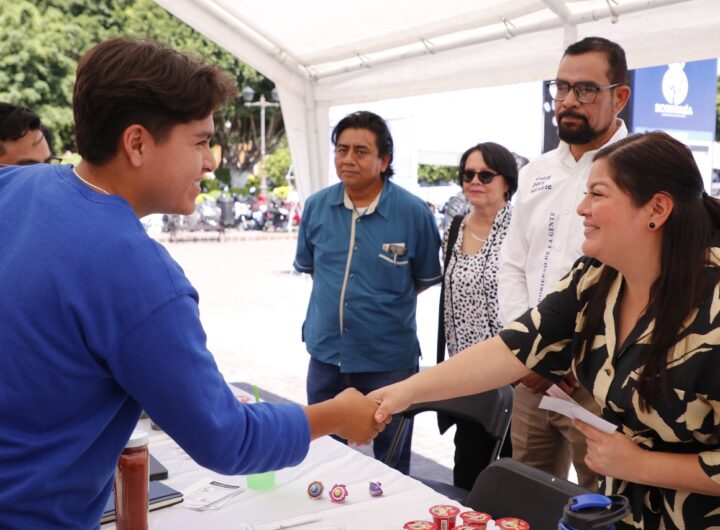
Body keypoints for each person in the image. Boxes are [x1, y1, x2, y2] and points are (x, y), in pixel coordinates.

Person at [0, 38, 384, 530]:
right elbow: (228, 438)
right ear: (137, 144)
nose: (211, 161)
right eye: (200, 142)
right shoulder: (136, 271)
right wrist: (334, 415)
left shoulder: (15, 185)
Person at [371, 131, 720, 529]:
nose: (582, 208)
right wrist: (403, 393)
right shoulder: (596, 278)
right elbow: (514, 347)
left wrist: (640, 464)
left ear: (656, 208)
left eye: (597, 194)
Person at [498, 36, 631, 490]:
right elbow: (513, 264)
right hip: (531, 378)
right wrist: (527, 351)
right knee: (525, 494)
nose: (569, 101)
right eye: (561, 87)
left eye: (586, 89)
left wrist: (574, 360)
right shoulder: (535, 172)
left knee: (604, 501)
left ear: (620, 96)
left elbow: (641, 278)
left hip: (599, 380)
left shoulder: (640, 170)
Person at [294, 110, 442, 474]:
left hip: (388, 361)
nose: (347, 159)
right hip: (326, 354)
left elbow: (423, 278)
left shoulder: (413, 213)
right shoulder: (316, 207)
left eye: (360, 151)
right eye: (341, 149)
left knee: (391, 463)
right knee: (324, 457)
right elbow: (312, 268)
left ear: (384, 160)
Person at [437, 142, 517, 489]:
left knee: (510, 476)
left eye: (486, 175)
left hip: (510, 374)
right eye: (468, 174)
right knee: (467, 473)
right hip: (466, 374)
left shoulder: (520, 229)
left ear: (506, 182)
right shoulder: (455, 228)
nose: (475, 181)